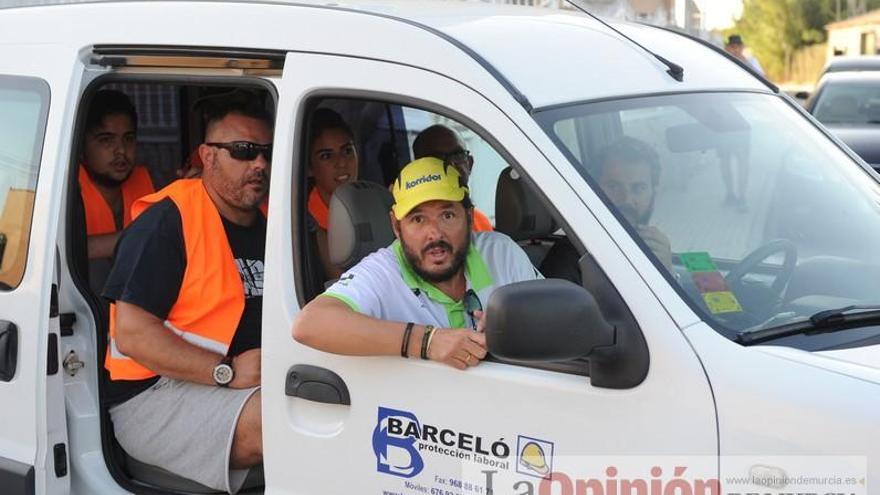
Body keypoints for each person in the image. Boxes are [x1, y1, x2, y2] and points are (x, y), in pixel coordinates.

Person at [102, 94, 272, 493]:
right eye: (244, 151)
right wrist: (225, 371)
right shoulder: (167, 221)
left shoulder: (272, 223)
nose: (260, 164)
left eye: (267, 152)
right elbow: (133, 333)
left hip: (239, 381)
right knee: (284, 417)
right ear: (207, 157)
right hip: (155, 395)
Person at [293, 157, 541, 369]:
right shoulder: (383, 271)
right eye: (418, 219)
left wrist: (511, 329)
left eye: (447, 215)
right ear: (396, 227)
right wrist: (427, 342)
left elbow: (552, 319)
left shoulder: (500, 252)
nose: (434, 234)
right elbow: (309, 323)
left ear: (467, 216)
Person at [541, 137, 671, 284]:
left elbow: (704, 297)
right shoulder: (571, 257)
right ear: (594, 189)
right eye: (614, 186)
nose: (626, 199)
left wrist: (669, 274)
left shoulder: (666, 251)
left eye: (638, 188)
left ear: (653, 192)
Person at [78, 89, 154, 260]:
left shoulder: (155, 184)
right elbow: (59, 251)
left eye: (128, 139)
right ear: (80, 149)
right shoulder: (61, 191)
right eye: (106, 140)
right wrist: (142, 237)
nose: (121, 150)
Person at [307, 108, 359, 280]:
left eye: (347, 151)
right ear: (309, 168)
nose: (342, 162)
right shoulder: (305, 223)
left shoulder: (377, 206)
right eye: (326, 156)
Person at [412, 124, 493, 232]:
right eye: (437, 158)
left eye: (458, 155)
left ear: (470, 163)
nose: (450, 164)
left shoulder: (480, 222)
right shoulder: (412, 230)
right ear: (417, 169)